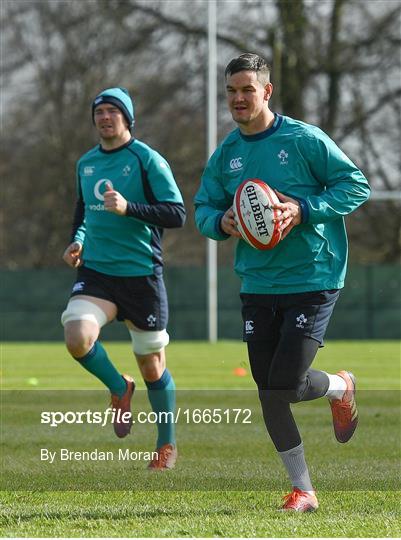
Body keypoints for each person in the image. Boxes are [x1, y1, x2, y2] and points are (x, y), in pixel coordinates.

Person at [194, 53, 370, 510]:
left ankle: (338, 386)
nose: (238, 98)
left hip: (313, 276)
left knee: (286, 383)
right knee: (269, 391)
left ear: (266, 92)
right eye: (231, 91)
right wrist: (223, 221)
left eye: (247, 90)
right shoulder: (227, 154)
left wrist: (304, 209)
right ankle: (304, 490)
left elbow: (355, 185)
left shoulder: (303, 139)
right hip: (257, 283)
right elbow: (202, 210)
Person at [62, 87, 185, 470]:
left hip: (141, 277)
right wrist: (76, 242)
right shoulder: (86, 164)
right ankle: (119, 387)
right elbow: (83, 214)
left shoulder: (146, 159)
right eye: (99, 111)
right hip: (97, 272)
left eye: (113, 111)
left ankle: (166, 445)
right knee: (77, 336)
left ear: (127, 118)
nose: (105, 117)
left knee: (152, 366)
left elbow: (176, 213)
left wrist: (129, 208)